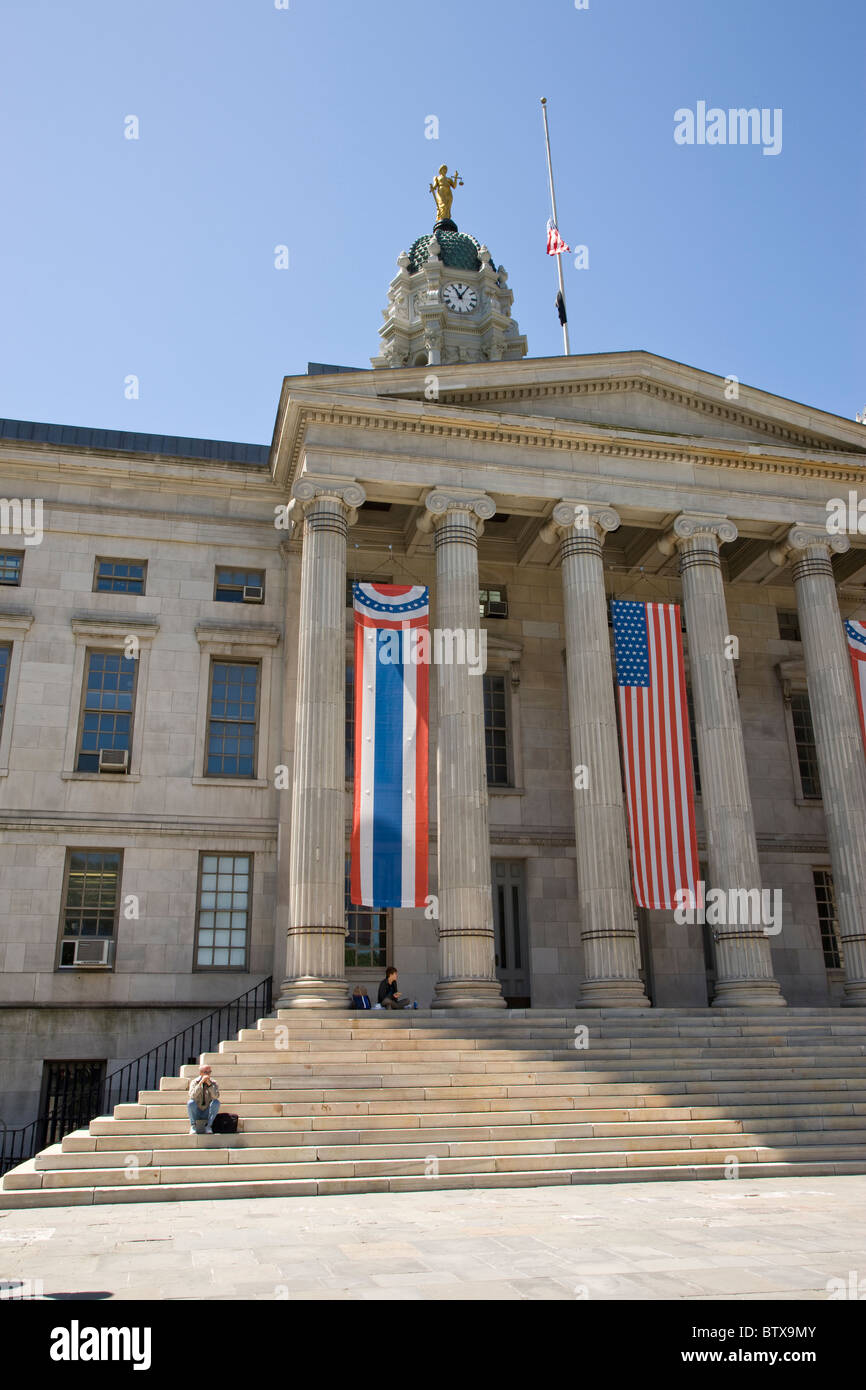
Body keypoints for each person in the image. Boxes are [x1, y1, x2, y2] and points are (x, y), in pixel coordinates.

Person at [187, 1064, 220, 1135]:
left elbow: (216, 1096)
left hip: (207, 1111)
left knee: (216, 1102)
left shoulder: (213, 1082)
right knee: (190, 1103)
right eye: (206, 1072)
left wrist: (210, 1085)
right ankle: (193, 1126)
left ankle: (208, 1126)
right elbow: (192, 1096)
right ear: (200, 1073)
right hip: (197, 1111)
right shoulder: (194, 1082)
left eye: (209, 1072)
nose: (208, 1074)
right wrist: (200, 1083)